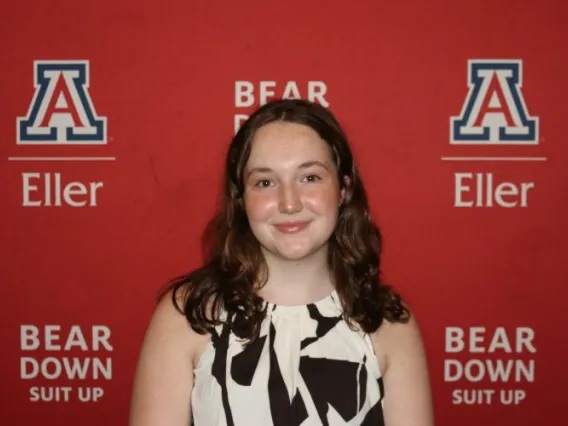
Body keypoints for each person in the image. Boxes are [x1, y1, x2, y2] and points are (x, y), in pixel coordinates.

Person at [129, 99, 434, 426]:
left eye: (310, 178)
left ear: (343, 189)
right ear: (241, 199)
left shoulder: (388, 325)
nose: (289, 203)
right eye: (265, 182)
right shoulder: (188, 316)